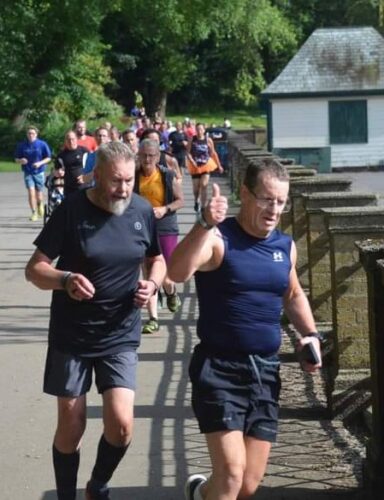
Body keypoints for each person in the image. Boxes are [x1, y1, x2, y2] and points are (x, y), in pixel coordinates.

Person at [168, 159, 322, 500]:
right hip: (219, 370)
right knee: (232, 475)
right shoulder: (219, 239)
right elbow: (176, 272)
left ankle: (199, 492)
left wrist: (311, 335)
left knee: (248, 484)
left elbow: (292, 293)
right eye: (266, 199)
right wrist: (204, 223)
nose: (274, 209)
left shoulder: (285, 247)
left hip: (265, 372)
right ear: (245, 194)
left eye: (281, 201)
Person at [25, 141, 166, 500]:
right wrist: (65, 279)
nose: (124, 189)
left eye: (129, 180)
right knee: (71, 427)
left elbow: (156, 259)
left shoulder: (141, 210)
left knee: (121, 426)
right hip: (72, 336)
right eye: (116, 181)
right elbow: (35, 269)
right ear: (97, 176)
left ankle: (98, 484)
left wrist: (152, 284)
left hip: (120, 333)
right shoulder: (71, 210)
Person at [136, 138, 184, 334]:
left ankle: (171, 293)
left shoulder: (166, 175)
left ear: (158, 157)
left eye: (151, 155)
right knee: (148, 272)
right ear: (138, 156)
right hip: (141, 227)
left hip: (165, 226)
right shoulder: (133, 176)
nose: (147, 159)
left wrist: (165, 209)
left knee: (166, 275)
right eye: (143, 155)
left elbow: (180, 201)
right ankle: (153, 318)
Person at [14, 126, 52, 221]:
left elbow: (48, 158)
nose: (31, 135)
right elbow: (16, 159)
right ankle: (34, 212)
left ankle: (40, 205)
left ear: (36, 134)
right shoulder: (22, 145)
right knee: (31, 193)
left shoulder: (42, 144)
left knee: (39, 193)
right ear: (27, 134)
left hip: (39, 172)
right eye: (29, 133)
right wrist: (20, 160)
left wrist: (40, 163)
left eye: (33, 133)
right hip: (28, 172)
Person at [186, 122, 223, 213]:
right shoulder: (192, 139)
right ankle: (196, 201)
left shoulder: (208, 140)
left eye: (201, 129)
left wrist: (219, 165)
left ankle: (203, 206)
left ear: (204, 130)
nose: (199, 131)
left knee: (204, 185)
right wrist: (192, 161)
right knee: (196, 188)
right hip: (195, 165)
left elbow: (213, 153)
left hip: (206, 164)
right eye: (197, 129)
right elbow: (187, 153)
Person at [55, 131, 88, 197]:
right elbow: (56, 171)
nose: (71, 141)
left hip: (84, 185)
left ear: (76, 139)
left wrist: (85, 176)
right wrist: (59, 172)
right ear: (65, 141)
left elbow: (92, 166)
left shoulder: (84, 151)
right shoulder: (61, 155)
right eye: (68, 139)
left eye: (72, 139)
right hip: (69, 187)